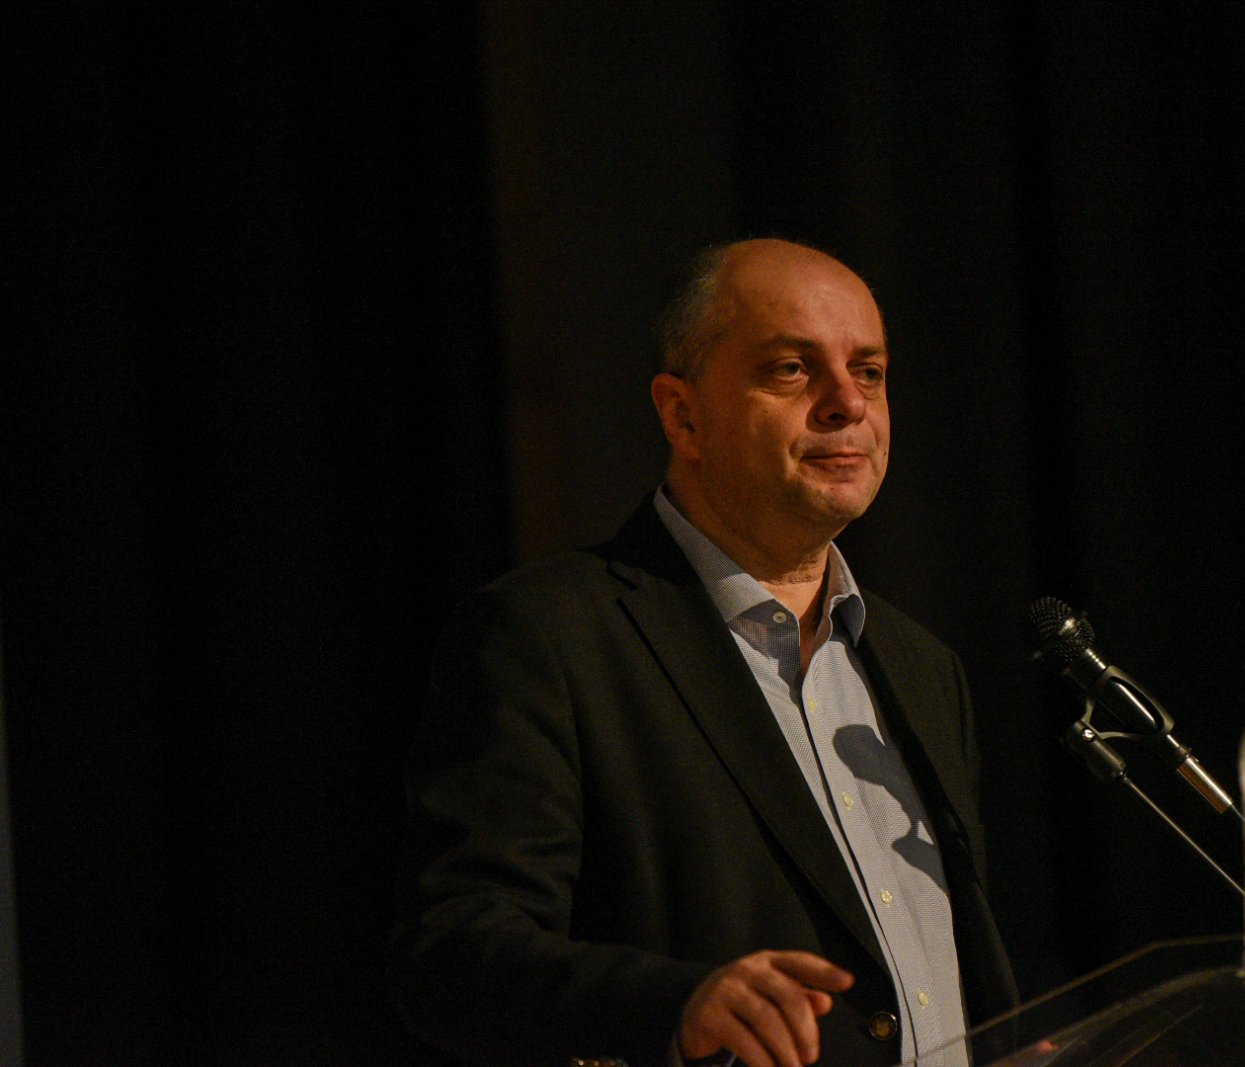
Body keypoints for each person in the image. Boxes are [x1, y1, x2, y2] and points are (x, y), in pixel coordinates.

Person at [390, 238, 1017, 1067]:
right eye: (792, 369)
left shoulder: (921, 668)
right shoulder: (551, 637)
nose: (847, 403)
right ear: (682, 415)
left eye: (868, 371)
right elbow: (451, 953)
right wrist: (675, 1007)